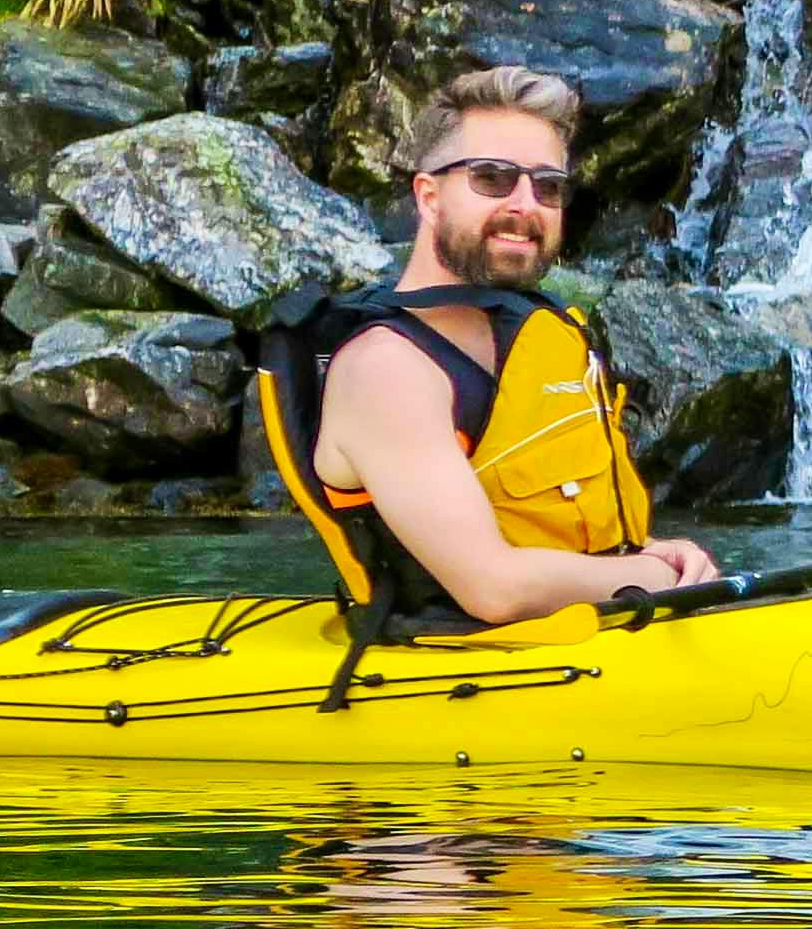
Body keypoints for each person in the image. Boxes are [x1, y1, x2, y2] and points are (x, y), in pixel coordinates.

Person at [254, 67, 716, 632]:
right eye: (493, 178)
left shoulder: (533, 333)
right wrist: (658, 578)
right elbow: (493, 589)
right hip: (453, 678)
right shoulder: (387, 368)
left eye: (548, 186)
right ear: (428, 196)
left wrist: (652, 554)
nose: (526, 204)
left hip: (583, 641)